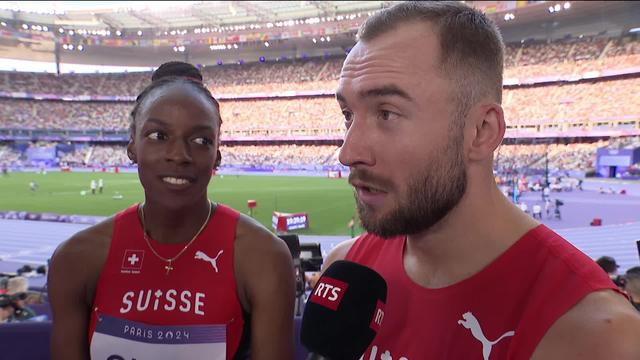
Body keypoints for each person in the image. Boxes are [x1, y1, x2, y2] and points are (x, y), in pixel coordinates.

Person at [325, 2, 640, 359]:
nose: (348, 152)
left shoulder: (595, 336)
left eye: (386, 113)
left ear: (481, 131)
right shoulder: (344, 271)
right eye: (348, 115)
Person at [48, 62, 295, 360]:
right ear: (132, 146)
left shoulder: (264, 258)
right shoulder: (76, 259)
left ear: (217, 155)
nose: (179, 155)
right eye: (158, 136)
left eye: (201, 140)